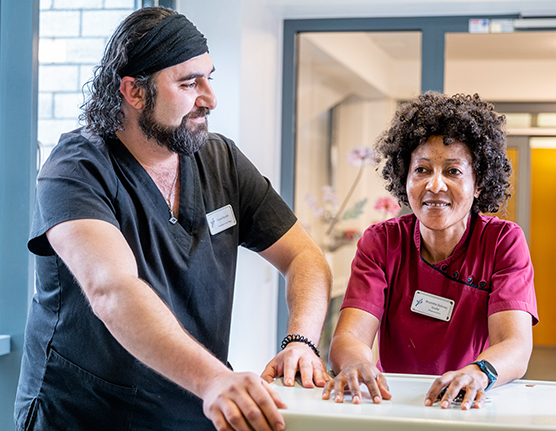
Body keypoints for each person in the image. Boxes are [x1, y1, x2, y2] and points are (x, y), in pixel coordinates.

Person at [15, 7, 331, 431]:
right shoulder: (76, 168)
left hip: (193, 408)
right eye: (188, 83)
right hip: (86, 414)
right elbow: (113, 290)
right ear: (134, 91)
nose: (210, 98)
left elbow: (304, 257)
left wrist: (302, 341)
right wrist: (215, 379)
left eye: (209, 78)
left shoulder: (221, 160)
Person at [322, 91, 538, 411]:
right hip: (393, 401)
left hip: (469, 402)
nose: (435, 185)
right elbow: (349, 337)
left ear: (478, 183)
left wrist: (478, 373)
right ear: (404, 177)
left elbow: (514, 344)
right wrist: (356, 363)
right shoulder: (382, 242)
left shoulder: (501, 242)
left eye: (453, 171)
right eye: (422, 170)